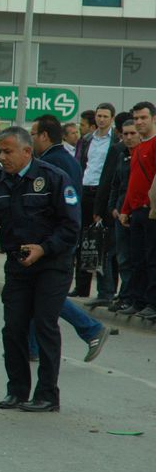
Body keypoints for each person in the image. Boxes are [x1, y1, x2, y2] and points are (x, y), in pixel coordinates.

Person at [0, 127, 80, 413]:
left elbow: (71, 227)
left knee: (44, 325)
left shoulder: (53, 178)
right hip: (18, 266)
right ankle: (16, 391)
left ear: (27, 151)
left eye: (8, 151)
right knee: (13, 328)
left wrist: (44, 248)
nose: (2, 157)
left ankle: (48, 394)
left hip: (52, 265)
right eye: (0, 151)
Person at [28, 115, 108, 362]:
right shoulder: (64, 159)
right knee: (35, 292)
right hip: (54, 238)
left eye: (32, 133)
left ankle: (90, 328)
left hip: (53, 241)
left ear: (44, 135)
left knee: (46, 294)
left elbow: (55, 206)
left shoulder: (52, 163)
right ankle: (31, 348)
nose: (30, 138)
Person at [118, 102, 156, 319]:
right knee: (137, 259)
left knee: (152, 258)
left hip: (151, 211)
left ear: (154, 118)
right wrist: (125, 209)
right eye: (137, 118)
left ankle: (152, 302)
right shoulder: (139, 147)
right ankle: (138, 300)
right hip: (136, 211)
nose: (139, 122)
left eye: (143, 118)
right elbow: (132, 181)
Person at [73, 103, 116, 298]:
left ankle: (105, 291)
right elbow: (80, 164)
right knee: (83, 240)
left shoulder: (115, 140)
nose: (101, 119)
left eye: (105, 116)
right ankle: (81, 287)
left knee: (103, 243)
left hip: (104, 192)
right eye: (99, 116)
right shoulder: (87, 139)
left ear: (111, 119)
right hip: (85, 189)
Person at [102, 119, 139, 312]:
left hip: (138, 213)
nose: (129, 137)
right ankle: (124, 296)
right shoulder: (121, 155)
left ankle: (135, 298)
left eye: (133, 133)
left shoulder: (144, 154)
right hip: (120, 214)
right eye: (126, 134)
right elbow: (115, 184)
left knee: (138, 259)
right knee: (122, 258)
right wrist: (113, 207)